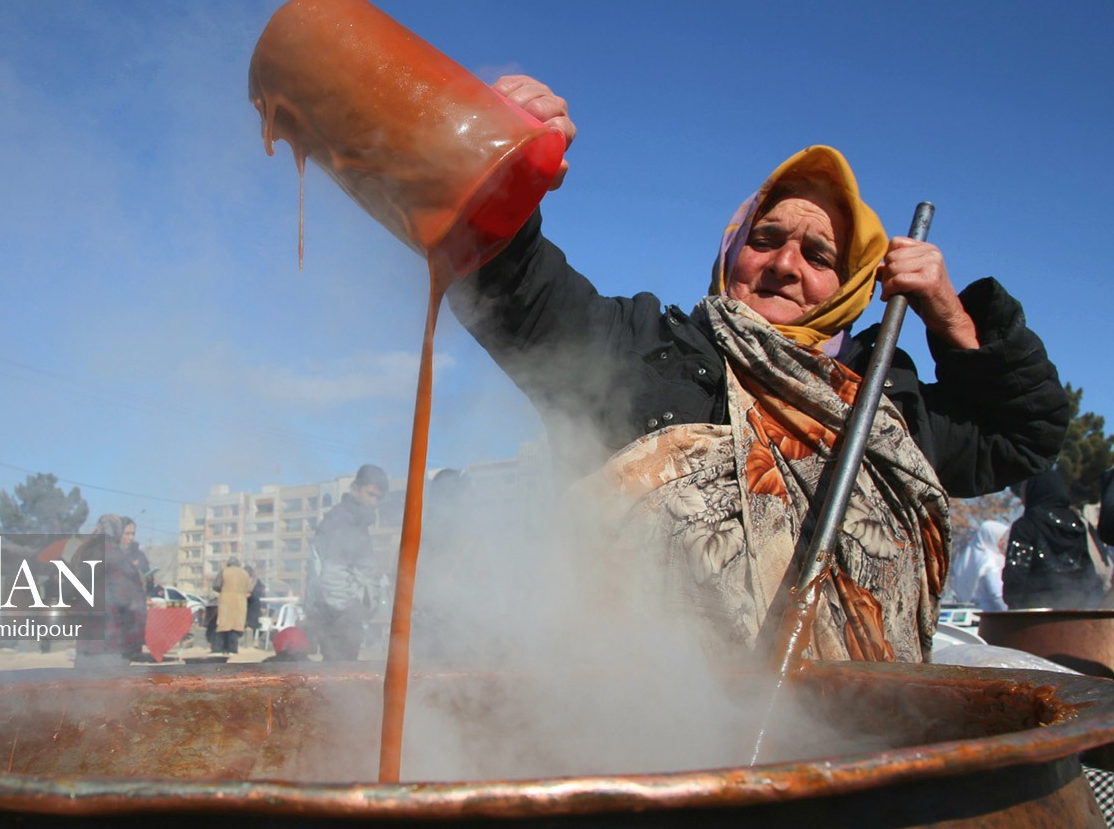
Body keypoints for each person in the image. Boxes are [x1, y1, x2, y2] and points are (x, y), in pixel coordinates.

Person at [445, 76, 1068, 664]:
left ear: (853, 284)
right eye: (765, 240)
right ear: (731, 249)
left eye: (820, 254)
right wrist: (505, 162)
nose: (786, 265)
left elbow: (1023, 433)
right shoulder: (638, 349)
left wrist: (950, 316)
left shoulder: (884, 405)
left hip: (867, 742)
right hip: (643, 735)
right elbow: (508, 285)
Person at [305, 464, 388, 661]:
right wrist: (343, 610)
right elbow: (333, 570)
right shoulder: (343, 519)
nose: (374, 502)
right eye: (370, 494)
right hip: (338, 616)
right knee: (339, 675)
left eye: (378, 498)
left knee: (343, 672)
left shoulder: (357, 520)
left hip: (346, 615)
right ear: (355, 489)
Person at [1004, 471, 1104, 610]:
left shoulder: (1026, 525)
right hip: (1077, 609)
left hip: (1034, 613)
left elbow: (1016, 572)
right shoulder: (1078, 523)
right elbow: (1087, 570)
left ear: (1034, 491)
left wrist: (1013, 605)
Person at [72, 513, 148, 668]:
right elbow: (128, 600)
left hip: (85, 645)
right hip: (111, 646)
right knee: (109, 689)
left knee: (83, 690)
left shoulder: (81, 554)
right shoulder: (116, 557)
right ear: (117, 533)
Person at [946, 521, 1009, 611]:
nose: (1004, 543)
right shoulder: (989, 561)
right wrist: (1010, 614)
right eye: (1001, 539)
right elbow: (997, 594)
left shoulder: (966, 558)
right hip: (989, 615)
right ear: (991, 538)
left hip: (968, 611)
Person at [211, 557, 254, 653]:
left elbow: (216, 585)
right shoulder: (245, 573)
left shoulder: (224, 571)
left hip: (226, 600)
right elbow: (249, 588)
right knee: (236, 626)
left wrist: (223, 590)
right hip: (240, 602)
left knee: (223, 625)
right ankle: (233, 649)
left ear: (228, 564)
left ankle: (218, 649)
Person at [119, 516, 154, 594]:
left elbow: (150, 583)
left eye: (133, 534)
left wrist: (148, 579)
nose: (131, 537)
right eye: (127, 534)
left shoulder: (140, 555)